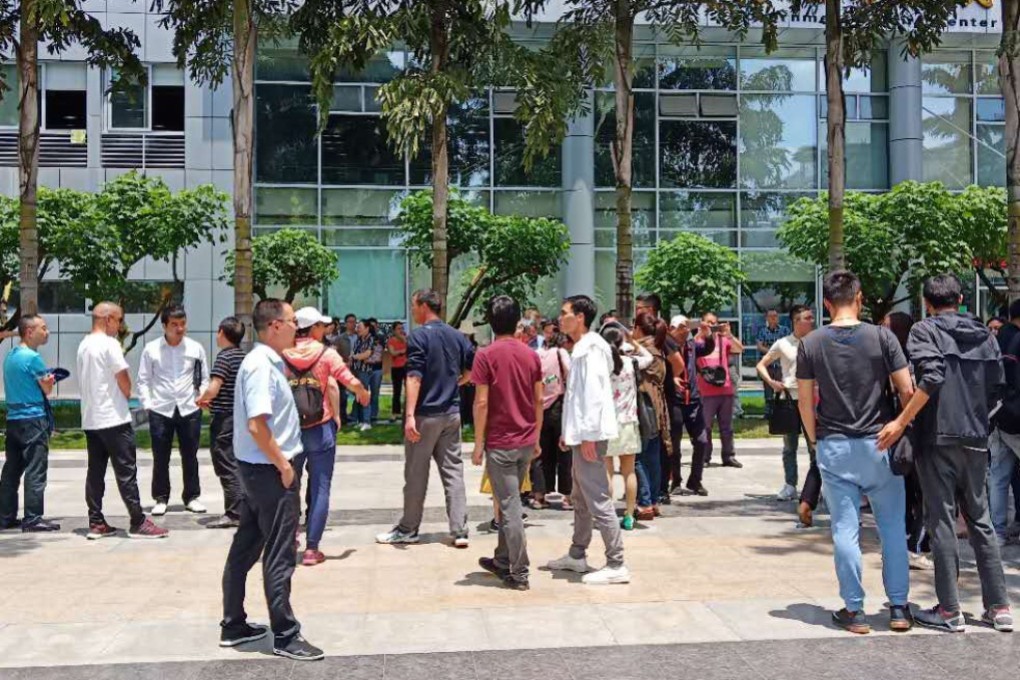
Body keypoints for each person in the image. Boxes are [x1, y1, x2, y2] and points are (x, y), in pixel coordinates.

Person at [877, 274, 1013, 633]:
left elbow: (931, 375)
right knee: (981, 521)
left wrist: (902, 420)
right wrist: (980, 421)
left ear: (926, 302)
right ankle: (999, 607)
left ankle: (950, 609)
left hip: (937, 438)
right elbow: (999, 387)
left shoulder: (924, 331)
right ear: (962, 298)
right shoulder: (985, 333)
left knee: (941, 521)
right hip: (976, 437)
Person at [796, 271, 913, 635]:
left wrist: (816, 442)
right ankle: (898, 608)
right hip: (880, 443)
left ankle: (855, 611)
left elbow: (804, 401)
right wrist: (899, 425)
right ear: (859, 298)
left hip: (835, 446)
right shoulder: (883, 337)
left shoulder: (811, 343)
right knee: (893, 528)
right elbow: (907, 390)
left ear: (827, 303)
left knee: (845, 530)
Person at [219, 299, 321, 661]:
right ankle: (285, 634)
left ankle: (233, 624)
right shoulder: (260, 366)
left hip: (257, 469)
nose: (298, 328)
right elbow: (257, 425)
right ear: (275, 325)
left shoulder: (266, 362)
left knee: (246, 545)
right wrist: (284, 465)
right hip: (269, 471)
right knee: (280, 553)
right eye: (293, 321)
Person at [377, 289, 475, 548]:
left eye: (413, 305)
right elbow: (472, 369)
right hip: (451, 414)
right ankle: (460, 530)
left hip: (425, 415)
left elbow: (414, 376)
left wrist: (409, 415)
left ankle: (408, 529)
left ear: (423, 306)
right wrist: (458, 383)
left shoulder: (418, 336)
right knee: (453, 472)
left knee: (416, 474)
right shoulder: (457, 336)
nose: (412, 310)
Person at [545, 295, 630, 585]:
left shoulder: (591, 349)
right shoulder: (584, 348)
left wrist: (589, 435)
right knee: (580, 498)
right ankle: (577, 554)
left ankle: (616, 562)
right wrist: (569, 434)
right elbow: (577, 396)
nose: (560, 317)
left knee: (597, 500)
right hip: (581, 435)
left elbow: (593, 395)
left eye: (565, 312)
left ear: (580, 317)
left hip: (589, 436)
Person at [283, 307, 370, 566]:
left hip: (290, 431)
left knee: (289, 486)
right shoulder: (326, 354)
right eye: (322, 325)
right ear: (313, 329)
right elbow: (346, 380)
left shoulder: (282, 355)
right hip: (320, 428)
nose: (326, 329)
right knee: (320, 487)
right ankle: (312, 549)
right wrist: (362, 394)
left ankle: (289, 539)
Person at [471, 295, 544, 590]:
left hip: (501, 442)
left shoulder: (486, 355)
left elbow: (481, 403)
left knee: (510, 506)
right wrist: (536, 437)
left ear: (490, 322)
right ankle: (502, 559)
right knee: (507, 500)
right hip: (526, 440)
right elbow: (539, 398)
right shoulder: (531, 355)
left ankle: (519, 570)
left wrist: (478, 444)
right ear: (517, 322)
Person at [78, 302, 167, 540]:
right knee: (126, 471)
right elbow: (123, 377)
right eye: (118, 320)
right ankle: (138, 521)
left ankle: (95, 522)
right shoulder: (109, 344)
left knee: (95, 472)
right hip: (113, 418)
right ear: (107, 319)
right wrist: (128, 393)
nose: (120, 326)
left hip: (91, 418)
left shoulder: (84, 344)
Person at [137, 303, 210, 516]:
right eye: (174, 324)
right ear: (164, 325)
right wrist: (148, 405)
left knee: (190, 455)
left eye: (183, 324)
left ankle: (192, 497)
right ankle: (160, 498)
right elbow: (143, 380)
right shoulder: (151, 349)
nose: (180, 328)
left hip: (189, 408)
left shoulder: (195, 348)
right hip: (161, 408)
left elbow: (204, 377)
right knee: (161, 456)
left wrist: (201, 395)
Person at [882, 312, 932, 570]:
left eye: (887, 326)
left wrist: (904, 418)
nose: (883, 330)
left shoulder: (910, 356)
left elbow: (910, 392)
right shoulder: (889, 356)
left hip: (911, 429)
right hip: (901, 430)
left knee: (918, 490)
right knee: (906, 488)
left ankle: (916, 542)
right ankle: (910, 540)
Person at [0, 314, 59, 532]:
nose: (47, 332)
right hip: (33, 420)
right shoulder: (33, 359)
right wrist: (50, 381)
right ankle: (33, 518)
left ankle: (5, 516)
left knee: (12, 470)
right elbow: (46, 389)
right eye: (43, 328)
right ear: (29, 332)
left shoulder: (10, 356)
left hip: (14, 419)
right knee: (36, 468)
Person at [755, 305, 814, 502]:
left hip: (812, 400)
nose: (812, 321)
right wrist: (771, 382)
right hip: (790, 400)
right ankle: (790, 484)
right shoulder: (783, 343)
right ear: (796, 321)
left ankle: (817, 486)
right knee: (790, 446)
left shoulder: (817, 342)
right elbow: (761, 364)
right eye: (808, 318)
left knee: (815, 445)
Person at [196, 317, 247, 529]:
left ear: (222, 333)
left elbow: (215, 385)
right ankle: (244, 508)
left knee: (226, 464)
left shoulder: (224, 358)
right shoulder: (244, 357)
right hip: (240, 417)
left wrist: (202, 399)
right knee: (239, 463)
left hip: (224, 419)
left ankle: (234, 513)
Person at [600, 325, 652, 530]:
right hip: (629, 422)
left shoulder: (603, 365)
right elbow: (649, 357)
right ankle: (629, 515)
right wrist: (635, 341)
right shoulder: (632, 363)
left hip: (607, 423)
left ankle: (607, 513)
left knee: (607, 471)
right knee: (629, 471)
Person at [666, 316, 714, 497]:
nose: (686, 330)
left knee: (702, 441)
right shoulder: (666, 346)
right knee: (675, 444)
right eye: (682, 327)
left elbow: (707, 348)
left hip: (693, 400)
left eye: (687, 327)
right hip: (675, 401)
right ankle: (675, 481)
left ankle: (695, 480)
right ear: (672, 328)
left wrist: (707, 334)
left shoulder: (692, 345)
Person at [632, 312, 672, 521]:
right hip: (656, 406)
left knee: (638, 456)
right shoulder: (657, 348)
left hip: (642, 406)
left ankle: (645, 502)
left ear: (638, 328)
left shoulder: (639, 349)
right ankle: (654, 500)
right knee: (653, 457)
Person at [530, 332, 572, 510]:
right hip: (558, 405)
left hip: (539, 407)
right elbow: (570, 372)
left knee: (540, 452)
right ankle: (567, 497)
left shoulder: (537, 353)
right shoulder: (560, 352)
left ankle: (539, 495)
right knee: (564, 452)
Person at [696, 313, 744, 468]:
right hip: (706, 390)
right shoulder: (699, 341)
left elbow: (739, 349)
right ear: (703, 323)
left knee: (727, 426)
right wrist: (701, 332)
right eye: (709, 322)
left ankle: (728, 456)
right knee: (706, 426)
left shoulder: (723, 340)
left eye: (714, 323)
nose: (712, 325)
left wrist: (729, 334)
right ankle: (704, 457)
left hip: (725, 389)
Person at [756, 309, 790, 420]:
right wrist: (773, 353)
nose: (773, 318)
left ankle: (782, 412)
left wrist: (776, 352)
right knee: (768, 390)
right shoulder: (762, 331)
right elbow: (760, 346)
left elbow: (789, 345)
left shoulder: (785, 331)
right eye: (770, 316)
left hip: (781, 366)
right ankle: (768, 413)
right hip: (768, 366)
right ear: (766, 318)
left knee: (782, 389)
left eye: (775, 316)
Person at [349, 320, 378, 431]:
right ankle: (360, 420)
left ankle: (367, 421)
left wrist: (355, 357)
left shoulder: (371, 339)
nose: (358, 328)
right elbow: (353, 353)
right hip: (357, 370)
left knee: (364, 394)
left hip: (365, 371)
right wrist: (354, 357)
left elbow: (367, 354)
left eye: (360, 327)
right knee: (358, 395)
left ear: (367, 328)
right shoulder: (359, 339)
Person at [388, 321, 408, 419]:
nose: (401, 330)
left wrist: (404, 341)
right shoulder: (392, 340)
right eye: (399, 328)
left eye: (402, 328)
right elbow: (392, 352)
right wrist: (402, 351)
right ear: (394, 330)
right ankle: (395, 412)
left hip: (407, 367)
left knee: (408, 390)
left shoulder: (407, 339)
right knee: (397, 391)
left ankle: (408, 411)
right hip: (396, 368)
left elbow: (411, 349)